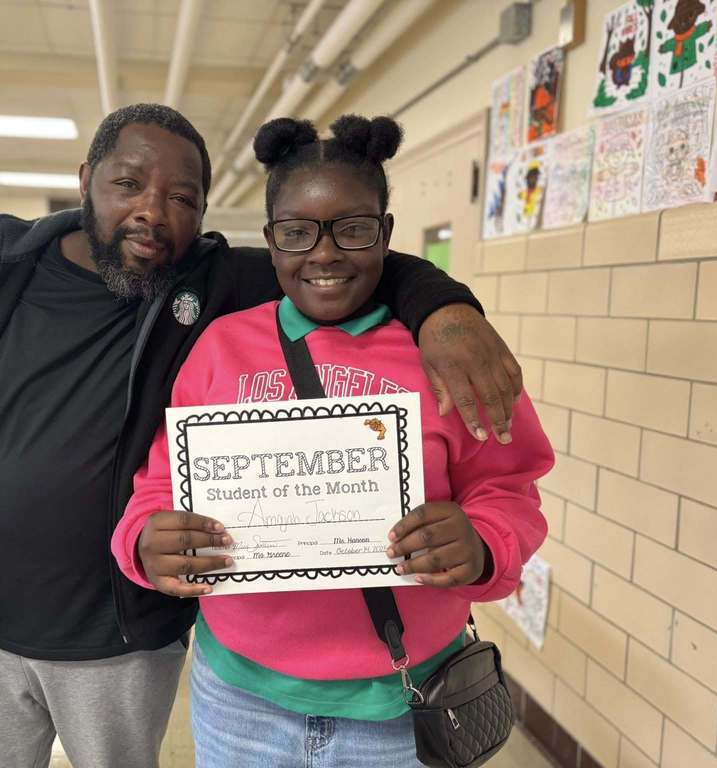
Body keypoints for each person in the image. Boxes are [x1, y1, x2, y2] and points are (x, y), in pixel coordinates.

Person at [0, 103, 522, 768]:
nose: (153, 213)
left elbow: (341, 260)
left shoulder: (213, 283)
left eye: (181, 197)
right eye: (128, 184)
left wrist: (447, 309)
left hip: (121, 634)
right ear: (85, 180)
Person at [112, 115, 554, 767]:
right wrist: (145, 539)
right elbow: (159, 482)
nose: (324, 254)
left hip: (402, 709)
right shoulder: (220, 348)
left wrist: (483, 542)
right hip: (240, 700)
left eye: (352, 228)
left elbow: (508, 488)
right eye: (297, 232)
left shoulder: (448, 355)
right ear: (271, 241)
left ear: (386, 233)